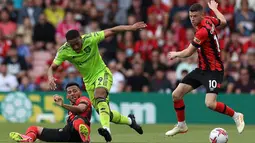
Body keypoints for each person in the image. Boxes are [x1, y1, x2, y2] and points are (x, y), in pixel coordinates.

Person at [48, 22, 146, 142]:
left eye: (77, 43)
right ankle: (131, 121)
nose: (76, 47)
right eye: (72, 45)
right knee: (105, 113)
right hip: (88, 82)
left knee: (99, 96)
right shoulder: (64, 50)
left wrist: (130, 28)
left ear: (81, 38)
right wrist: (50, 76)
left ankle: (106, 130)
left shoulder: (90, 38)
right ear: (68, 44)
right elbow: (52, 67)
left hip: (102, 73)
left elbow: (112, 30)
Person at [165, 0, 245, 136]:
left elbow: (188, 52)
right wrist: (215, 9)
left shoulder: (203, 31)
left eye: (195, 16)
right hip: (201, 69)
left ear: (202, 15)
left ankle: (236, 115)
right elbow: (223, 21)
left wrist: (176, 54)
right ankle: (181, 125)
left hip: (214, 70)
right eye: (190, 16)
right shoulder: (209, 20)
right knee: (176, 95)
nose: (192, 19)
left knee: (210, 104)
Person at [9, 82, 92, 143]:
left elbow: (81, 109)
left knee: (77, 121)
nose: (72, 93)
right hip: (67, 134)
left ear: (80, 92)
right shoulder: (70, 111)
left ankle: (85, 137)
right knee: (34, 129)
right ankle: (28, 139)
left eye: (75, 91)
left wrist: (63, 105)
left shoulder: (83, 99)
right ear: (67, 96)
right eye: (69, 92)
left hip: (77, 131)